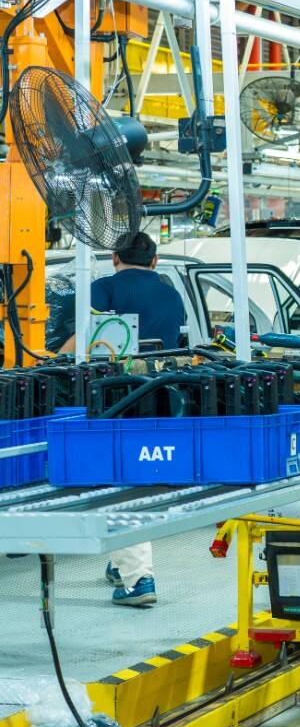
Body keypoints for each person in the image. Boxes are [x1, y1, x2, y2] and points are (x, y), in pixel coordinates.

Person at [62, 232, 186, 607]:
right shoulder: (172, 295)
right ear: (155, 260)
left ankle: (138, 580)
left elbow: (84, 337)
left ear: (115, 257)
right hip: (162, 398)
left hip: (115, 398)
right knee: (135, 478)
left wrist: (50, 360)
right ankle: (122, 564)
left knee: (123, 485)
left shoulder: (102, 288)